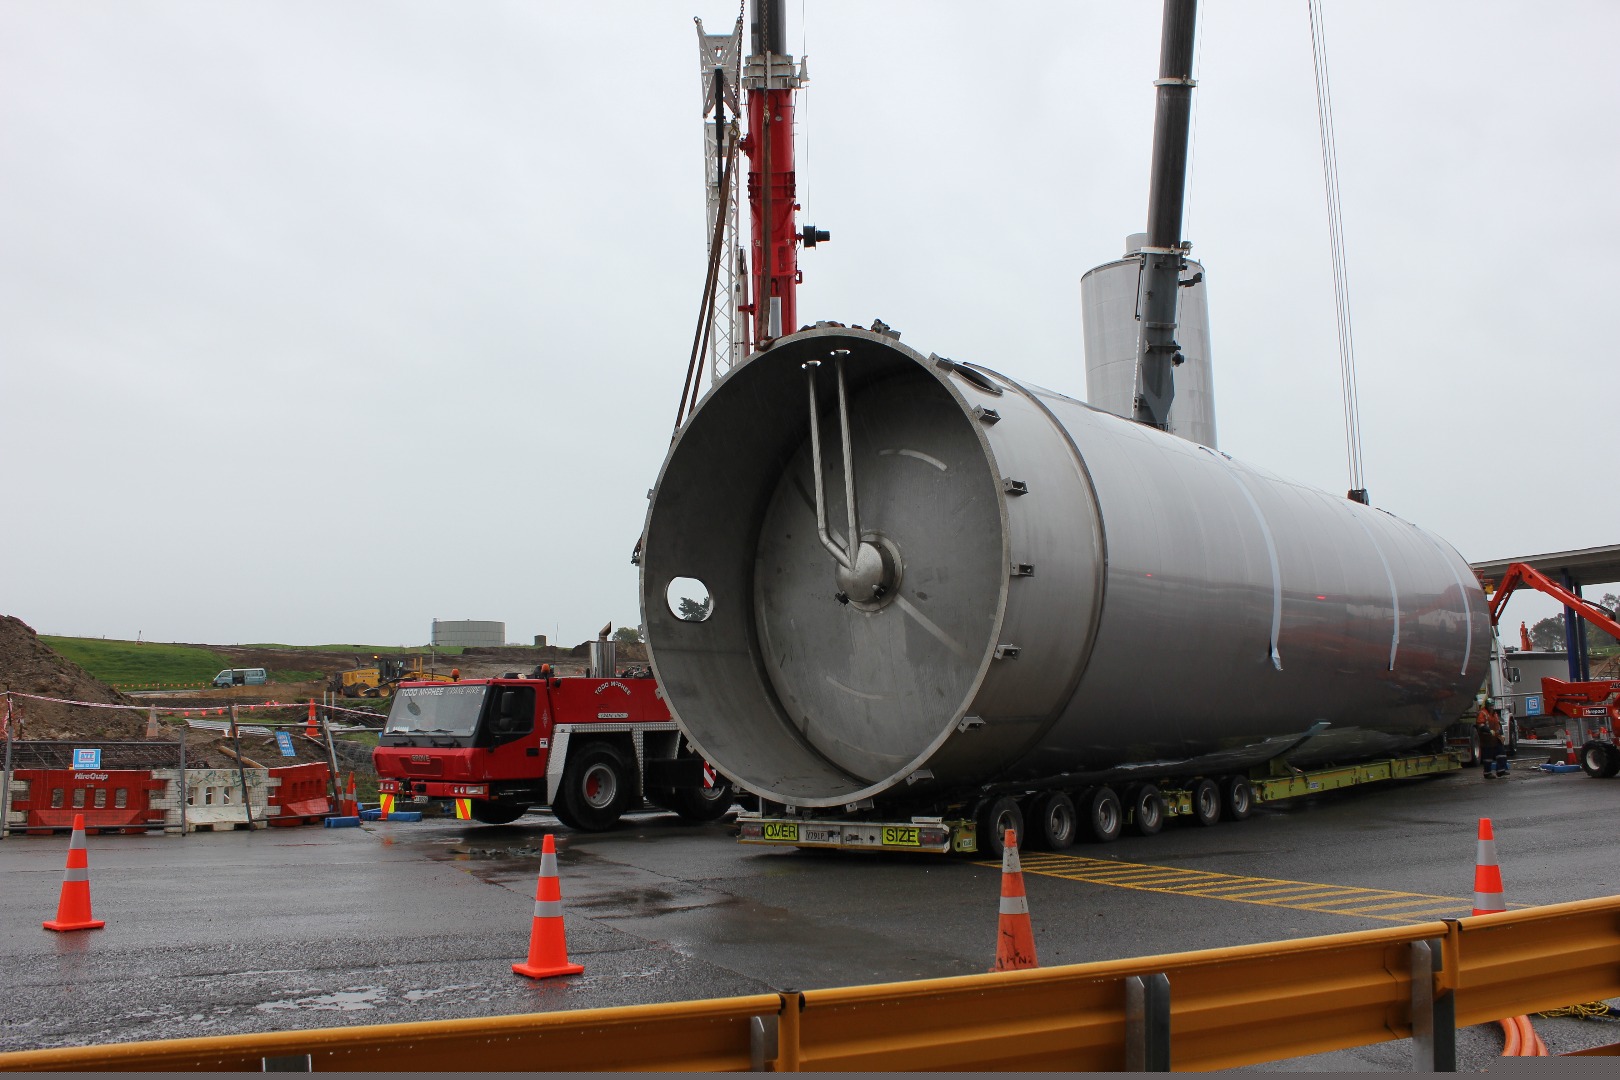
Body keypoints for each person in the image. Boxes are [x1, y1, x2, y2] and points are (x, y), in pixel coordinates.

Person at [1476, 706, 1506, 779]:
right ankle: (1487, 773)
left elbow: (1498, 724)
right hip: (1487, 739)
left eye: (1492, 706)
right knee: (1487, 757)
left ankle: (1501, 770)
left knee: (1501, 753)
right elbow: (1481, 725)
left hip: (1495, 737)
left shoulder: (1494, 714)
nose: (1491, 708)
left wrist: (1500, 732)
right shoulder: (1483, 713)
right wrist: (1488, 730)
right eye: (1490, 706)